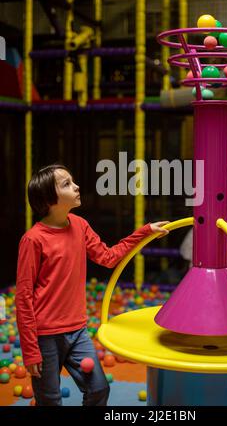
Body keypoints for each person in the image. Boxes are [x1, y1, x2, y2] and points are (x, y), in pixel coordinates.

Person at [15, 164, 169, 406]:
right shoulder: (33, 240)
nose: (76, 187)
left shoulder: (80, 225)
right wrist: (30, 350)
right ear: (48, 199)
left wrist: (146, 232)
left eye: (72, 181)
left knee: (98, 389)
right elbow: (23, 297)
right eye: (66, 184)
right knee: (50, 400)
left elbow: (108, 257)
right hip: (45, 336)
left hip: (77, 332)